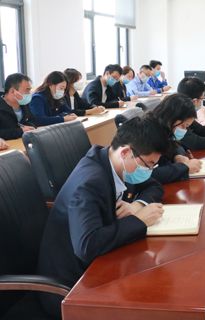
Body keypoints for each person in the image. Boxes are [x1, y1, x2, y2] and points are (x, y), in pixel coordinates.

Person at [37, 116, 170, 319]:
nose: (149, 171)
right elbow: (87, 246)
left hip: (99, 265)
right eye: (148, 165)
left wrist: (137, 205)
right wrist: (140, 221)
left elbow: (153, 186)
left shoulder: (115, 163)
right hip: (70, 286)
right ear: (126, 152)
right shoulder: (89, 183)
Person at [148, 94, 203, 184]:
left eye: (186, 127)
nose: (184, 130)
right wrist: (185, 168)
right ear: (171, 117)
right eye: (183, 126)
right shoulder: (149, 135)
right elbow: (148, 175)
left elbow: (176, 145)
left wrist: (177, 156)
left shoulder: (164, 129)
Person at [0, 73, 37, 139]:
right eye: (27, 90)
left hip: (24, 141)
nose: (29, 94)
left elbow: (33, 121)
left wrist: (30, 127)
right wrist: (20, 131)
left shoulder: (24, 104)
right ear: (12, 91)